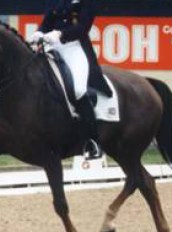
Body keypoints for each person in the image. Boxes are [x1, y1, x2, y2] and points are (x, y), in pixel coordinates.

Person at [30, 0, 112, 159]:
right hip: (52, 47)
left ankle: (92, 141)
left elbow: (82, 29)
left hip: (75, 48)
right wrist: (39, 32)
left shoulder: (86, 3)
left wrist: (61, 34)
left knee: (78, 90)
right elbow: (47, 22)